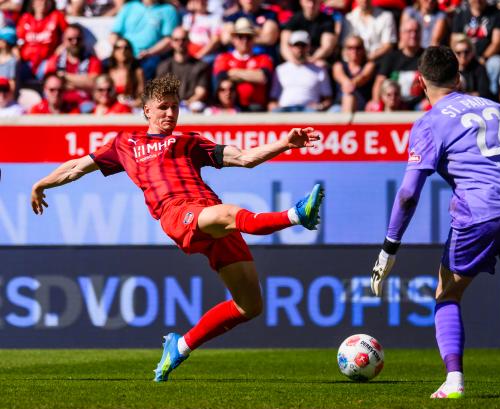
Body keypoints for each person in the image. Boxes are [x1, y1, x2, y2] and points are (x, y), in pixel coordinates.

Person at [30, 73, 325, 382]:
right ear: (147, 110)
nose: (170, 114)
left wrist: (285, 143)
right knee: (228, 214)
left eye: (174, 107)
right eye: (163, 107)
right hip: (178, 214)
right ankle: (295, 216)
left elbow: (244, 158)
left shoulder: (189, 141)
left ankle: (180, 345)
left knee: (249, 306)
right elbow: (77, 165)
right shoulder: (125, 143)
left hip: (209, 215)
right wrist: (41, 184)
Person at [370, 46, 500, 398]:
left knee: (447, 294)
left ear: (419, 83)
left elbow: (409, 193)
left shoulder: (429, 123)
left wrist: (389, 248)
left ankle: (454, 380)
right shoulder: (494, 107)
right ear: (459, 78)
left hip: (479, 214)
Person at [213, 18, 273, 111]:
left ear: (253, 39)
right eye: (241, 36)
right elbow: (221, 77)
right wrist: (252, 75)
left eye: (248, 37)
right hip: (231, 108)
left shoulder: (263, 58)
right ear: (234, 39)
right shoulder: (224, 58)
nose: (245, 40)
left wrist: (234, 72)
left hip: (256, 108)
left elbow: (262, 77)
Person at [269, 30, 332, 112]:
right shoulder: (280, 70)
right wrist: (274, 107)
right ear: (290, 47)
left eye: (303, 45)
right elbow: (273, 98)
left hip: (309, 110)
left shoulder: (319, 70)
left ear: (308, 47)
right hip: (285, 109)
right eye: (296, 45)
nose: (300, 49)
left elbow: (327, 98)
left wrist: (320, 106)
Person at [43, 24, 102, 106]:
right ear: (64, 40)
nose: (75, 42)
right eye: (70, 39)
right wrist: (83, 83)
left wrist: (64, 76)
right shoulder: (55, 60)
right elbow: (50, 83)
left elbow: (94, 83)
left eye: (78, 39)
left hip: (85, 105)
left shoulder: (93, 60)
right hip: (60, 105)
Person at [157, 27, 209, 112]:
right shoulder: (164, 66)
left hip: (191, 105)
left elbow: (201, 92)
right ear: (172, 43)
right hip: (170, 105)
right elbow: (160, 91)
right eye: (176, 40)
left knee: (197, 106)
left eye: (183, 39)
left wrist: (186, 104)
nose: (180, 43)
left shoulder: (200, 65)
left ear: (188, 41)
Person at [280, 0, 337, 67]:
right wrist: (293, 61)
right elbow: (284, 45)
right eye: (308, 1)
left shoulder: (327, 21)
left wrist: (311, 60)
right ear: (301, 2)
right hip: (295, 60)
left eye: (314, 2)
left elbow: (327, 47)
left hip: (317, 61)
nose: (311, 5)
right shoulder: (294, 19)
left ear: (320, 2)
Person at [330, 34, 375, 113]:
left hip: (362, 109)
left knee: (348, 96)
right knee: (348, 96)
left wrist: (350, 84)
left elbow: (363, 77)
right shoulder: (339, 65)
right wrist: (347, 83)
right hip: (339, 107)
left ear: (363, 49)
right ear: (345, 50)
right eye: (350, 48)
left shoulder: (368, 65)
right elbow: (340, 76)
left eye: (358, 48)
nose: (354, 51)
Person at [104, 37, 145, 109]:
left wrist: (130, 104)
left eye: (126, 48)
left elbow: (141, 98)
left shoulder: (137, 72)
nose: (122, 51)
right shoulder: (107, 71)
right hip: (110, 109)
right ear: (113, 51)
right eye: (118, 48)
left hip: (130, 109)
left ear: (130, 51)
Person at [452, 34, 491, 98]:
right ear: (454, 54)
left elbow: (484, 94)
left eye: (466, 52)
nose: (463, 55)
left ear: (472, 52)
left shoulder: (479, 69)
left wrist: (462, 96)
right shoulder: (450, 70)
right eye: (458, 52)